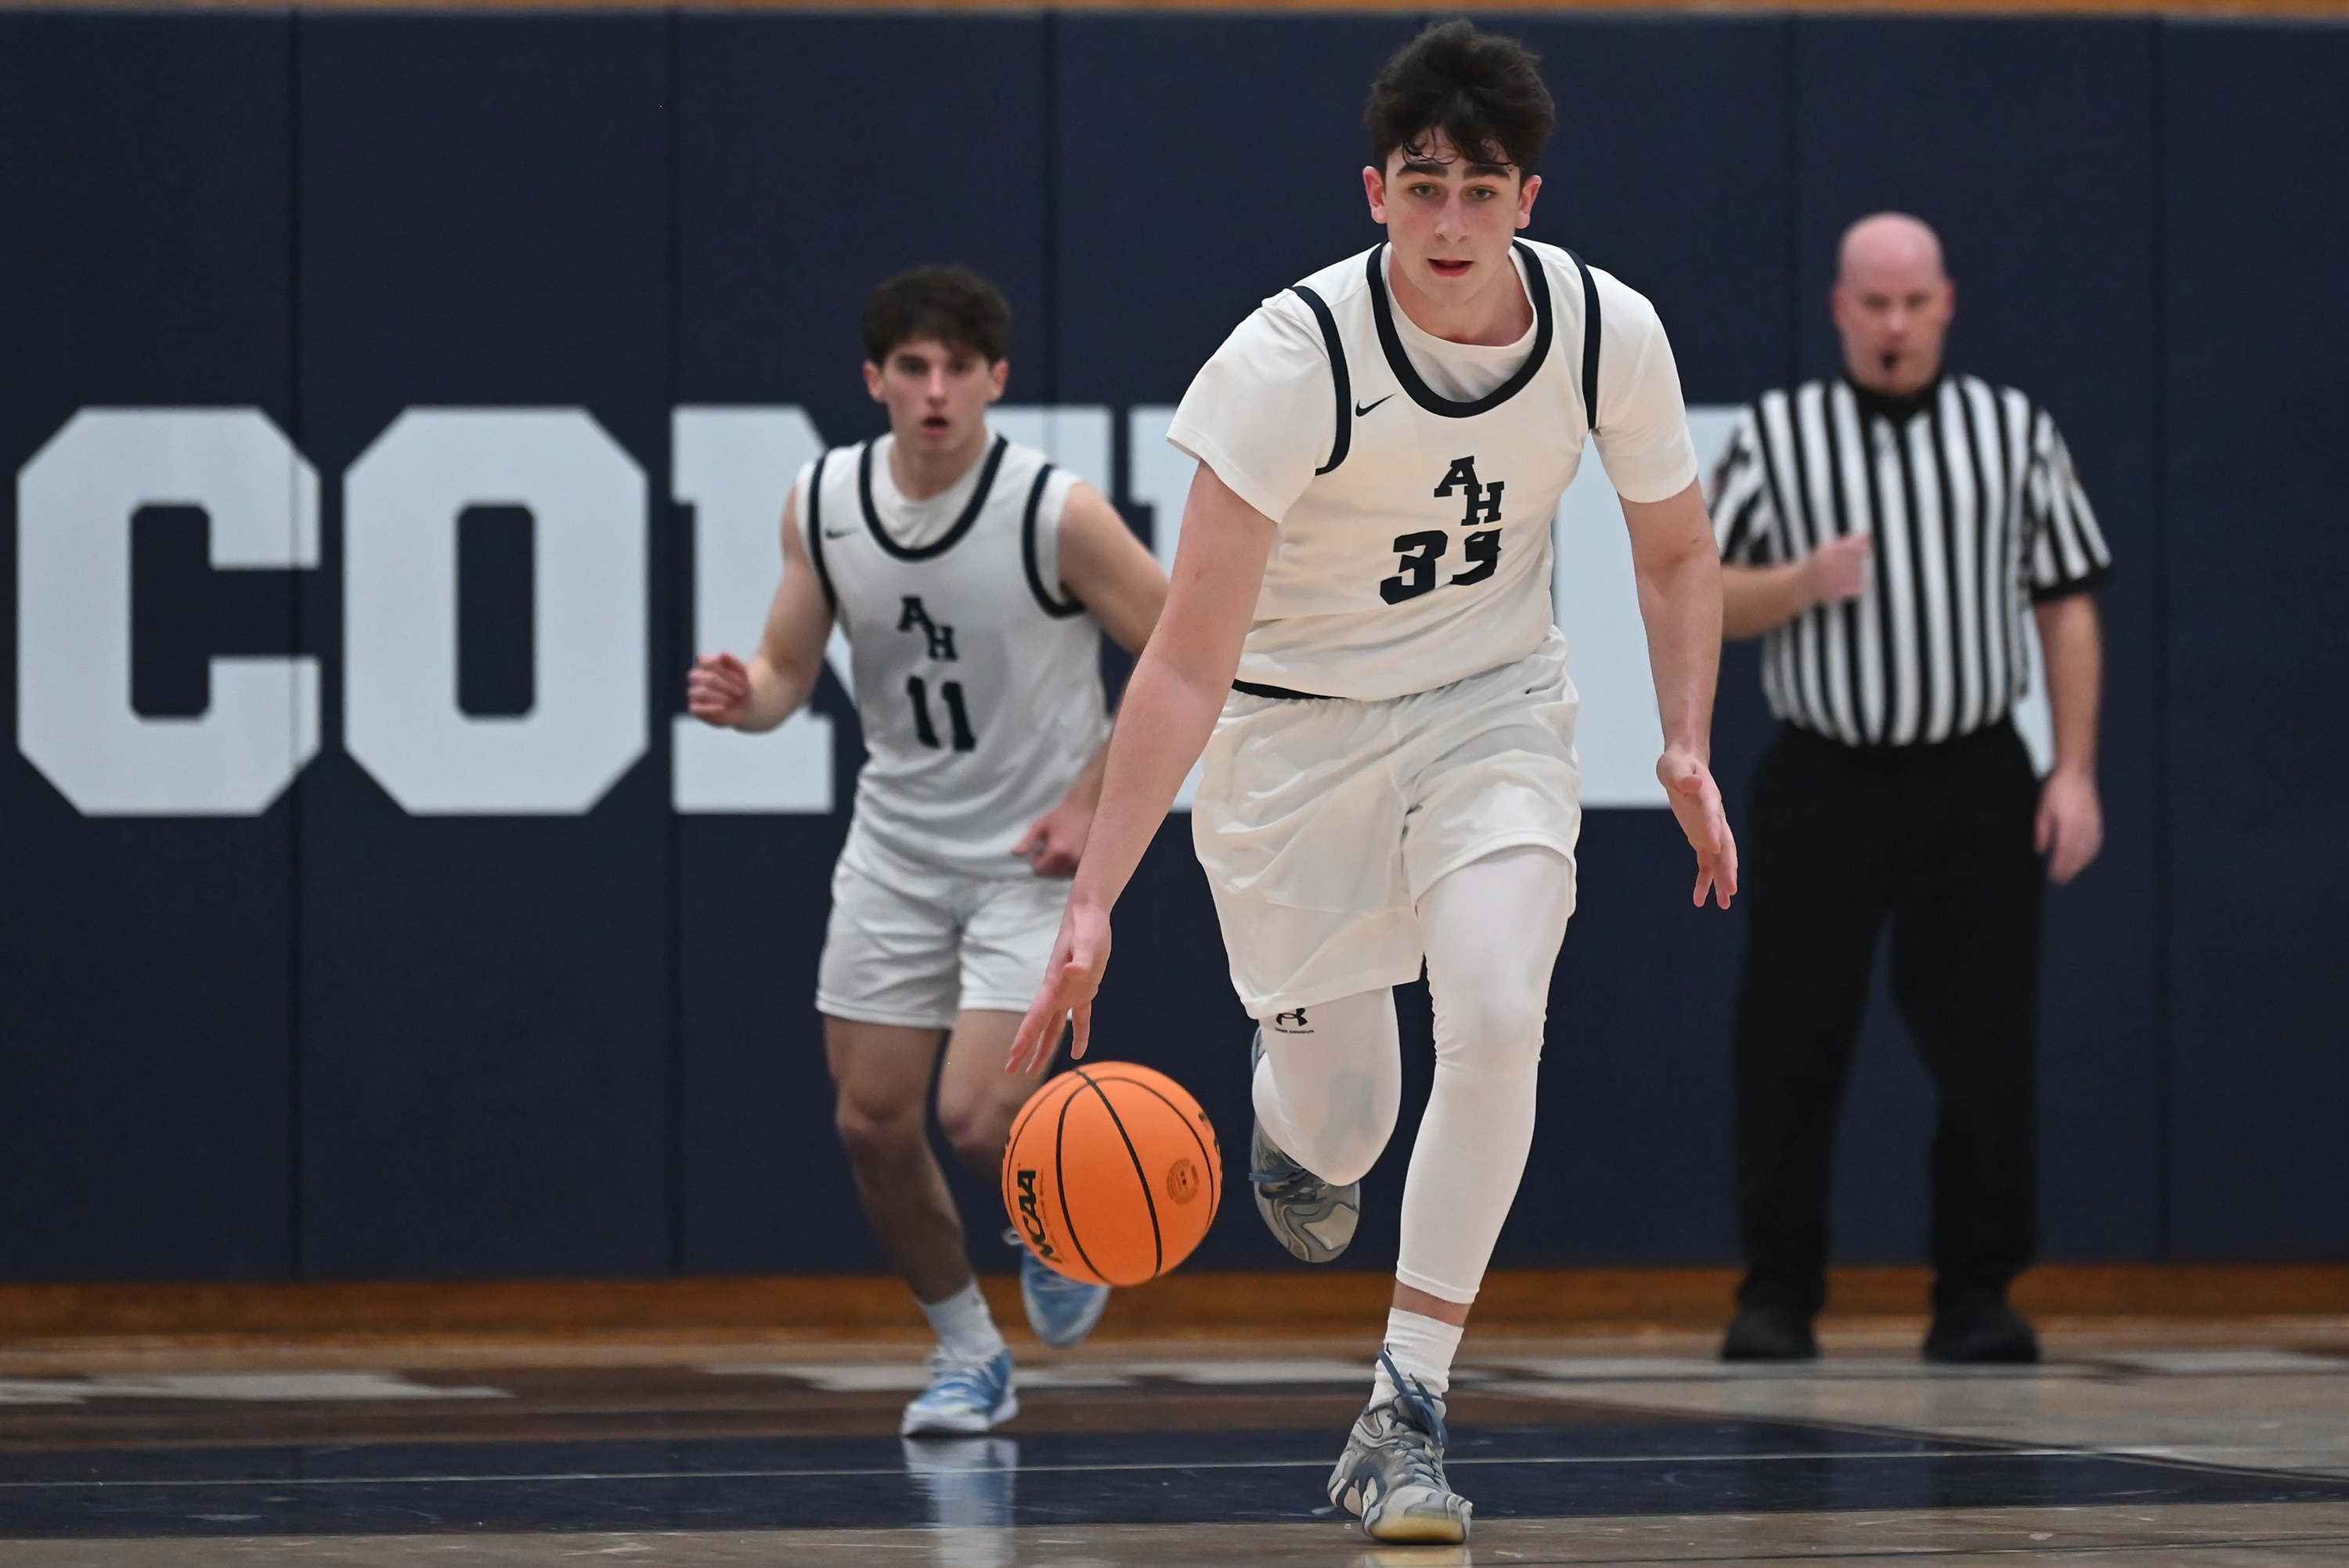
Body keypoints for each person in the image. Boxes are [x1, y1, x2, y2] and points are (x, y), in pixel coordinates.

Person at [1007, 22, 1735, 1545]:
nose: (1452, 223)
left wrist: (1682, 739)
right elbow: (1188, 665)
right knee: (1346, 1129)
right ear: (1374, 193)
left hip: (1493, 710)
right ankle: (1289, 1114)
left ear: (1528, 197)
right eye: (1424, 188)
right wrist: (1093, 900)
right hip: (1292, 740)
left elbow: (1673, 547)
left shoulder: (1609, 331)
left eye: (1481, 189)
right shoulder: (1289, 363)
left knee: (1497, 1012)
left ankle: (1405, 1407)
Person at [688, 265, 1167, 1436]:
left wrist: (1091, 803)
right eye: (913, 367)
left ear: (998, 381)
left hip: (1031, 861)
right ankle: (967, 1349)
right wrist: (749, 697)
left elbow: (1182, 662)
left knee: (976, 1116)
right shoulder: (825, 498)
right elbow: (792, 665)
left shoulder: (1055, 510)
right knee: (870, 1122)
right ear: (876, 381)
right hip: (897, 851)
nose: (937, 390)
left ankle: (1064, 1226)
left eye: (960, 368)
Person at [1709, 213, 2112, 1366]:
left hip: (1975, 773)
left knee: (1988, 1045)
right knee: (1788, 1040)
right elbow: (1706, 593)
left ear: (1945, 304)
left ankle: (1977, 1295)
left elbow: (2068, 601)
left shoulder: (2014, 431)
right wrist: (1800, 582)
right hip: (1824, 776)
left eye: (1912, 303)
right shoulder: (1781, 438)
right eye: (1872, 304)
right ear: (1840, 309)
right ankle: (1777, 1294)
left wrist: (2074, 769)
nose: (1892, 324)